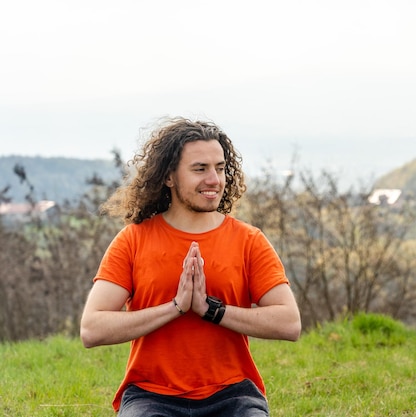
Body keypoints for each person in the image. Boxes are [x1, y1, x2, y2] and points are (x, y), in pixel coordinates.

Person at [80, 117, 301, 416]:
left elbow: (289, 323)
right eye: (200, 169)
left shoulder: (250, 240)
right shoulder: (133, 240)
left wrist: (212, 310)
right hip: (150, 395)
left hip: (235, 395)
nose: (214, 179)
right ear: (169, 176)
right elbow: (92, 329)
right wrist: (175, 307)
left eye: (220, 168)